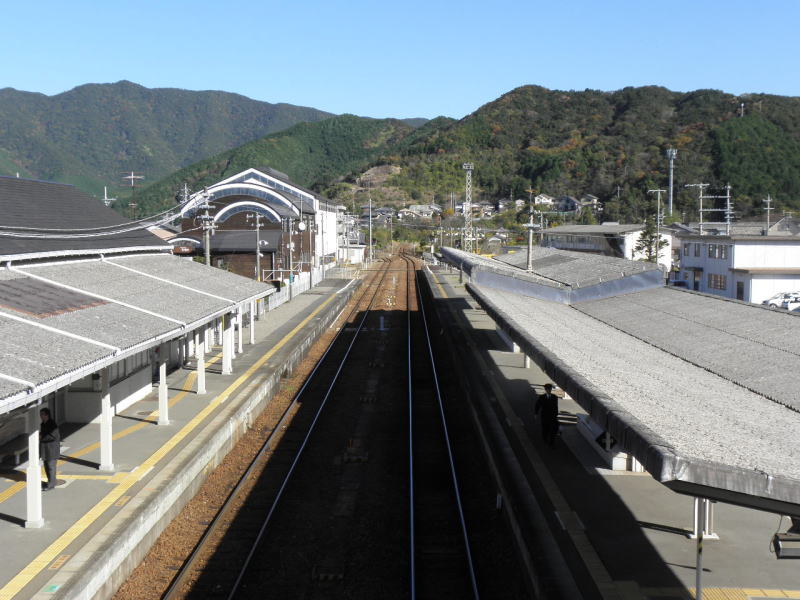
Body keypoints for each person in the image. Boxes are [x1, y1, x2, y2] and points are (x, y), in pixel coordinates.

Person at [39, 408, 60, 490]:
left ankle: (51, 485)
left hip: (52, 449)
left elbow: (53, 436)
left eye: (42, 414)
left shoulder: (52, 424)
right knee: (46, 466)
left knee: (51, 467)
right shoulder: (43, 424)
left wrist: (41, 437)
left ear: (47, 415)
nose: (40, 416)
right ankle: (50, 482)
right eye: (40, 414)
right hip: (45, 449)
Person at [534, 383, 559, 447]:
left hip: (553, 417)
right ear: (545, 389)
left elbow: (556, 406)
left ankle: (552, 443)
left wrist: (556, 415)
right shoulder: (541, 397)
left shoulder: (555, 397)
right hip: (545, 417)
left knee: (553, 430)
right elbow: (537, 405)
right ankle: (545, 439)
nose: (549, 390)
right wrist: (536, 413)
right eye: (547, 389)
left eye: (550, 389)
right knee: (545, 429)